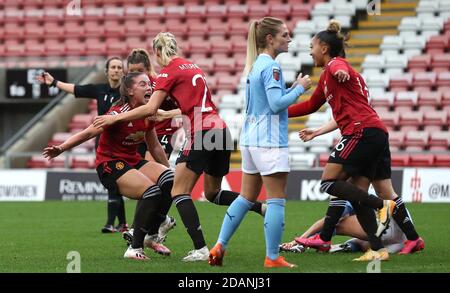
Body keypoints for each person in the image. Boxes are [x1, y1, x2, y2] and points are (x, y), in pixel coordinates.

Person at [93, 32, 267, 262]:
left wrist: (114, 119)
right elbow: (193, 104)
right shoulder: (193, 67)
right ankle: (259, 208)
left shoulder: (169, 71)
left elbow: (148, 108)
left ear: (157, 53)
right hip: (221, 129)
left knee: (178, 191)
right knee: (212, 193)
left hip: (202, 131)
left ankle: (200, 248)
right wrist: (169, 112)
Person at [288, 20, 423, 261]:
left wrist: (341, 70)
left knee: (329, 182)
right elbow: (310, 105)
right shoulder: (329, 79)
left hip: (361, 132)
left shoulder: (334, 67)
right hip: (376, 133)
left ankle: (381, 207)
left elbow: (342, 67)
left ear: (324, 48)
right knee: (358, 191)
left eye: (312, 46)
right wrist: (280, 111)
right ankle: (380, 248)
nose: (310, 51)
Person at [208, 17, 312, 269]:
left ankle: (219, 245)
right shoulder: (272, 68)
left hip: (250, 140)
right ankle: (273, 257)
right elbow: (276, 104)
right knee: (276, 200)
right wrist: (299, 88)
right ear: (270, 39)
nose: (289, 39)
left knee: (245, 197)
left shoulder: (256, 66)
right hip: (269, 142)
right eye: (285, 35)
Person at [43, 72, 175, 260]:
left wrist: (166, 167)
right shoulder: (116, 114)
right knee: (151, 192)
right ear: (129, 90)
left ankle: (151, 235)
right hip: (110, 164)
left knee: (170, 179)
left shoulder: (147, 112)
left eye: (150, 84)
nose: (150, 88)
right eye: (143, 84)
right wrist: (62, 148)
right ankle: (134, 248)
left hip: (132, 160)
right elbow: (88, 133)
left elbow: (153, 145)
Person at [37, 57, 128, 234]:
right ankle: (122, 223)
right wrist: (54, 82)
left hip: (120, 142)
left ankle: (111, 223)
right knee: (112, 182)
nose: (116, 70)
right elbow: (76, 89)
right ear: (107, 71)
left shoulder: (127, 92)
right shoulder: (100, 90)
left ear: (123, 71)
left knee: (113, 182)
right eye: (113, 67)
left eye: (119, 67)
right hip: (102, 140)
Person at [280, 201, 408, 254]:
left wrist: (299, 239)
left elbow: (329, 221)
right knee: (362, 244)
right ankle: (349, 245)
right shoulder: (366, 184)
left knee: (339, 223)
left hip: (385, 229)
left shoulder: (349, 190)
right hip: (401, 240)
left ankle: (302, 245)